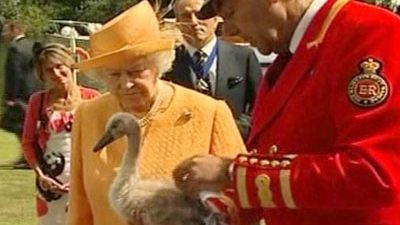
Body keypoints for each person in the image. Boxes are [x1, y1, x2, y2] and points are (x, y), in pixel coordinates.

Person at [173, 0, 400, 225]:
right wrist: (208, 212)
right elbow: (279, 163)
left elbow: (376, 174)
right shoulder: (291, 54)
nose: (230, 30)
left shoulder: (370, 33)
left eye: (231, 12)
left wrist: (232, 172)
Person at [68, 1, 245, 225]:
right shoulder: (88, 115)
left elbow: (241, 199)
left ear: (158, 65)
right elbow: (79, 209)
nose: (126, 84)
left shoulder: (209, 112)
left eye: (136, 72)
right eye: (114, 74)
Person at [22, 43, 99, 225]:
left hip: (85, 181)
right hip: (50, 185)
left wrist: (85, 176)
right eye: (49, 70)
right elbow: (28, 143)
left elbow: (102, 143)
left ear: (70, 65)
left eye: (59, 66)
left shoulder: (93, 98)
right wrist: (41, 175)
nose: (56, 73)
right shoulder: (38, 101)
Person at [163, 0, 262, 139]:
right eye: (186, 16)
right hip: (185, 145)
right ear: (177, 22)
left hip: (232, 144)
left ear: (216, 18)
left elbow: (260, 107)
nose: (194, 22)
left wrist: (230, 129)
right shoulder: (167, 63)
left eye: (200, 14)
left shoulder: (243, 57)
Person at [1, 20, 43, 169]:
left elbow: (15, 74)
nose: (3, 34)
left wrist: (10, 97)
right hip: (35, 90)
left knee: (16, 124)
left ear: (14, 31)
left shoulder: (15, 48)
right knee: (27, 124)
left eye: (6, 31)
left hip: (21, 94)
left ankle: (29, 156)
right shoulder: (32, 46)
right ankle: (28, 155)